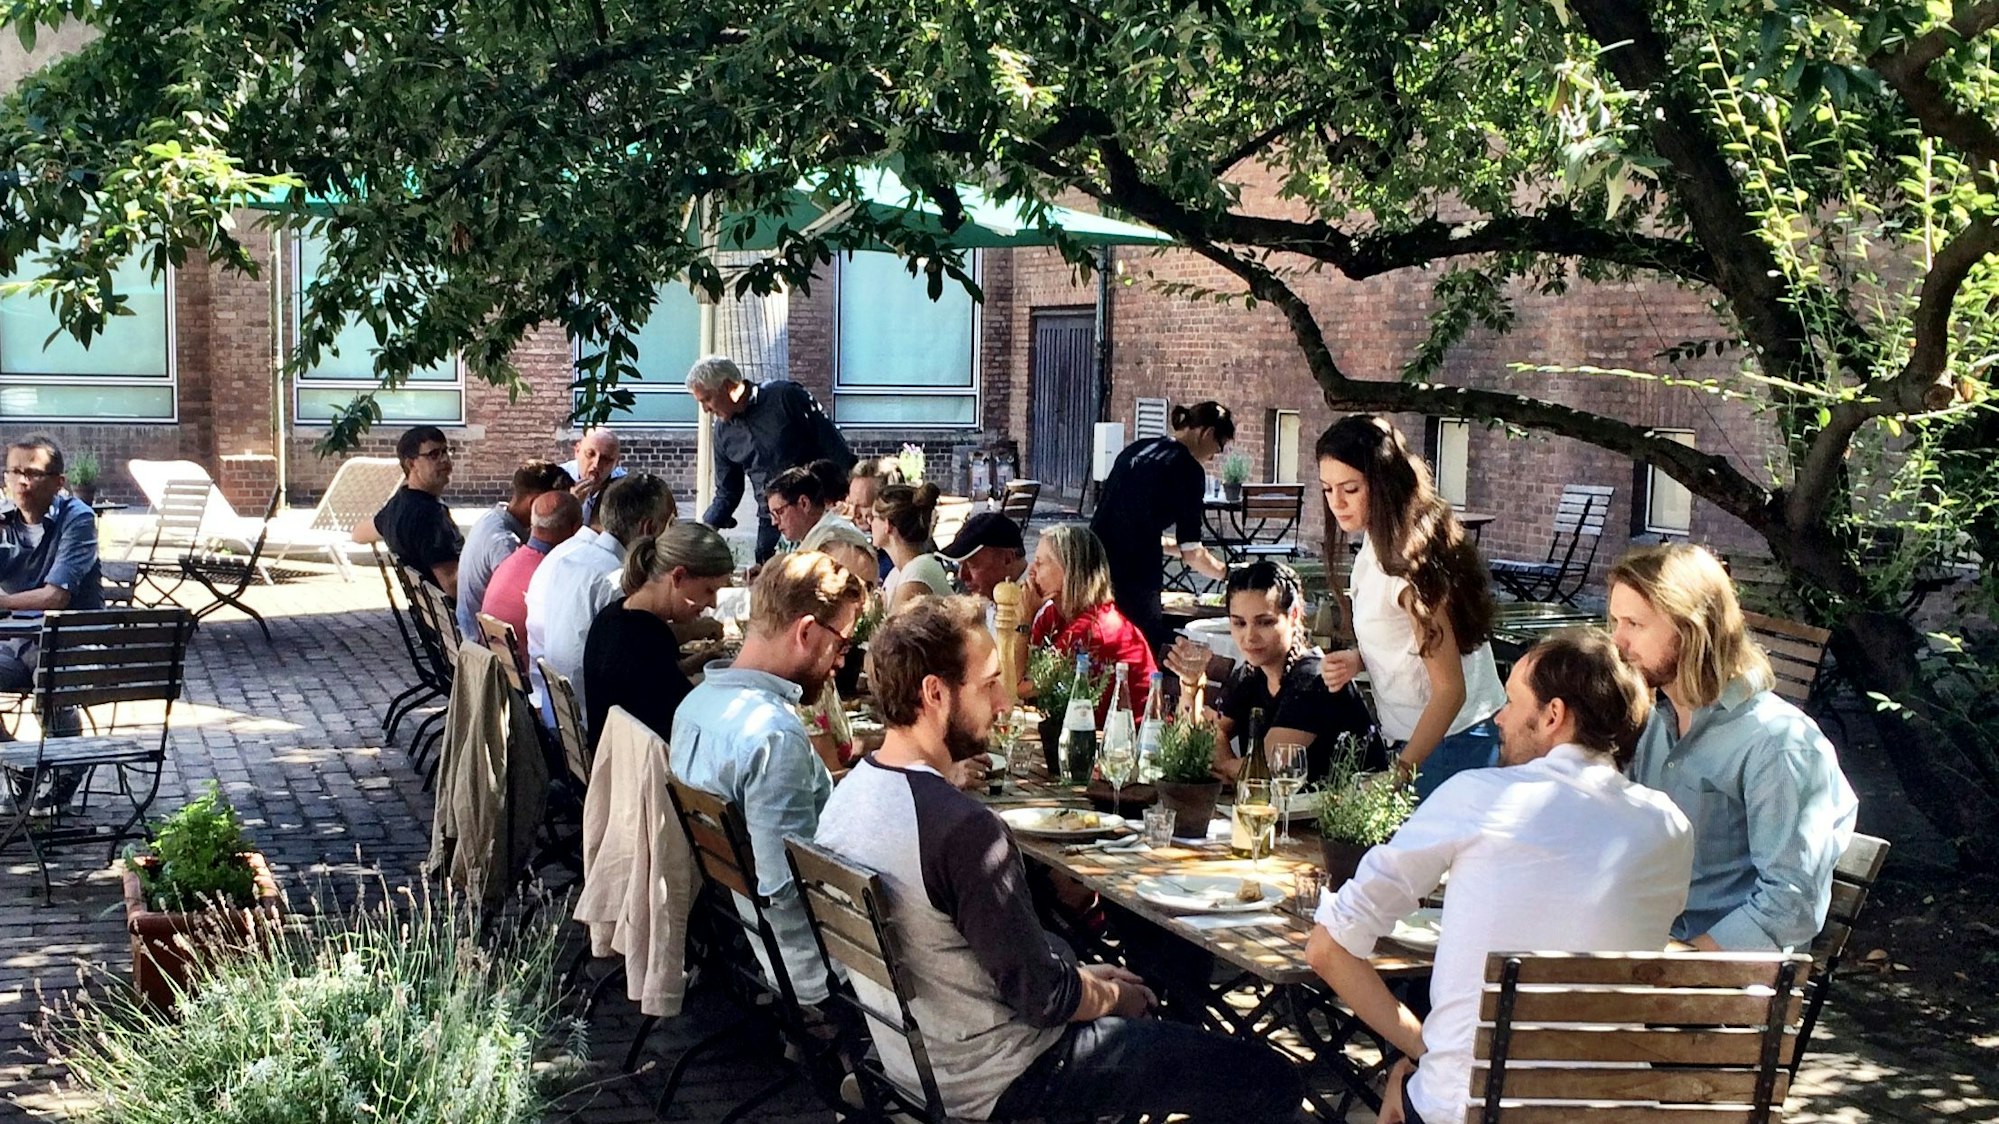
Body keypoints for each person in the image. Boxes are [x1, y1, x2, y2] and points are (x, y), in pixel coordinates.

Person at [815, 596, 1308, 1124]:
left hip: (914, 1065)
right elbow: (1043, 999)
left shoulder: (848, 797)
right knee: (1270, 1079)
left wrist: (1081, 979)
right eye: (989, 684)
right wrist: (1110, 997)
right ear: (935, 693)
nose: (1004, 702)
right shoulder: (960, 828)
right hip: (1005, 1077)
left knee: (1110, 981)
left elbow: (997, 970)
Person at [1307, 628, 1694, 1124]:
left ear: (1553, 716)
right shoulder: (1669, 828)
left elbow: (1327, 947)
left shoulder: (1479, 797)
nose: (1498, 718)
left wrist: (1426, 1053)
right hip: (1608, 1110)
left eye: (1511, 702)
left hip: (1470, 1108)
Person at [1610, 544, 1859, 951]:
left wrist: (1679, 965)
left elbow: (1791, 905)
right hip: (1648, 950)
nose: (1617, 641)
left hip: (1717, 977)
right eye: (1615, 622)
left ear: (1691, 629)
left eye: (1635, 624)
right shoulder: (1651, 721)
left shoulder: (1777, 743)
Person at [670, 551, 868, 1007]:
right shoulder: (774, 737)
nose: (841, 661)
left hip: (757, 941)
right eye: (841, 644)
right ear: (806, 632)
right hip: (823, 966)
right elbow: (786, 887)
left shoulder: (694, 708)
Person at [1316, 415, 1507, 801]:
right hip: (1425, 741)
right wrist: (1361, 659)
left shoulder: (1407, 564)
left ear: (1383, 483)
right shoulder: (1378, 540)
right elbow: (1409, 639)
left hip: (1452, 741)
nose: (1337, 502)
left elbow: (1450, 689)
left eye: (1350, 488)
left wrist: (1399, 774)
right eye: (1327, 489)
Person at [1167, 560, 1375, 781]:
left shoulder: (1314, 680)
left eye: (1265, 622)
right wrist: (1190, 686)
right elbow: (1198, 742)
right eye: (1239, 623)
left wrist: (1222, 763)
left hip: (1342, 801)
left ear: (1294, 616)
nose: (1250, 637)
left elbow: (1261, 770)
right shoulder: (1250, 674)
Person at [1088, 401, 1234, 657]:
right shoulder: (1188, 471)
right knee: (1144, 648)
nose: (1213, 456)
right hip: (1136, 578)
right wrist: (1227, 573)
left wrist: (1176, 548)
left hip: (1093, 564)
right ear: (1207, 433)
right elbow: (1192, 552)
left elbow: (1130, 524)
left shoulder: (1139, 448)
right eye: (1218, 448)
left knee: (1102, 646)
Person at [527, 474, 677, 720]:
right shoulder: (616, 579)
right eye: (670, 525)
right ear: (649, 529)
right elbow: (638, 668)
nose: (672, 535)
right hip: (594, 721)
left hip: (558, 713)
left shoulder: (568, 559)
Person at [0, 435, 101, 798]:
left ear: (59, 482)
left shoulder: (78, 519)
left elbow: (56, 597)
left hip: (69, 641)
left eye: (33, 473)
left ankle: (68, 767)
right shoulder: (3, 520)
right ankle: (19, 762)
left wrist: (4, 602)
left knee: (49, 676)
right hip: (15, 642)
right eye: (14, 472)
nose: (22, 481)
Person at [687, 355, 856, 562]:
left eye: (707, 399)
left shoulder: (785, 397)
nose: (705, 410)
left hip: (814, 513)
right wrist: (704, 531)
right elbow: (728, 491)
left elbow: (834, 447)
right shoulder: (722, 433)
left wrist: (852, 497)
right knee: (765, 575)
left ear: (728, 386)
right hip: (771, 521)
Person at [582, 523, 735, 751]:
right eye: (709, 590)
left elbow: (650, 688)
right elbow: (684, 722)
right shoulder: (646, 640)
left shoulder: (613, 616)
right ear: (678, 577)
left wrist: (694, 664)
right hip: (634, 765)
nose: (712, 603)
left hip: (613, 757)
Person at [1025, 524, 1156, 720]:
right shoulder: (1054, 615)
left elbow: (1023, 688)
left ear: (1069, 571)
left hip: (1127, 735)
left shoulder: (1093, 628)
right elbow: (1019, 672)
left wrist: (1024, 620)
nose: (1031, 571)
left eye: (1040, 563)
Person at [455, 460, 572, 640]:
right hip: (482, 641)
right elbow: (529, 602)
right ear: (535, 503)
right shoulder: (505, 543)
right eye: (558, 510)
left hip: (475, 631)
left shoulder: (491, 518)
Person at [357, 425, 463, 594]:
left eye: (446, 451)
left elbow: (358, 534)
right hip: (456, 609)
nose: (444, 459)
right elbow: (453, 587)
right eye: (434, 454)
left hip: (426, 607)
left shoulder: (398, 504)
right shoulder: (430, 517)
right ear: (411, 464)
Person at [480, 491, 582, 651]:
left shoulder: (512, 559)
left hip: (493, 659)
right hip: (524, 663)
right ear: (576, 528)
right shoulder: (552, 573)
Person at [871, 482, 953, 609]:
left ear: (887, 525)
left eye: (874, 517)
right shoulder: (898, 574)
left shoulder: (916, 574)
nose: (870, 523)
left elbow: (895, 622)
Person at [766, 461, 866, 554]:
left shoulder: (837, 540)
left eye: (779, 512)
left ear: (804, 503)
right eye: (772, 515)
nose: (774, 522)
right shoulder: (805, 537)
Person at [939, 511, 1028, 611]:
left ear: (1007, 559)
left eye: (972, 565)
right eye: (959, 564)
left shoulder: (1035, 607)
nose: (962, 575)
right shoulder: (995, 597)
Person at [562, 428, 627, 527]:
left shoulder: (624, 485)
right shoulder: (556, 478)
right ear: (577, 451)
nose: (596, 464)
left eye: (606, 459)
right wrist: (570, 507)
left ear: (616, 462)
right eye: (590, 454)